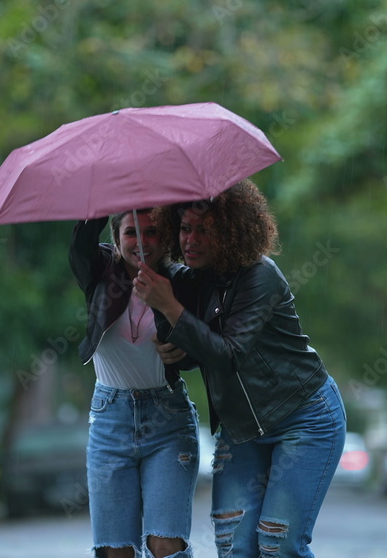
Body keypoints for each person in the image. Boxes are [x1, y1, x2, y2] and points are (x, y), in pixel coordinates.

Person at [133, 180, 347, 558]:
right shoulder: (195, 281)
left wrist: (170, 308)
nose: (191, 240)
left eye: (205, 229)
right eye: (185, 228)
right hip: (241, 428)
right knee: (234, 547)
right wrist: (167, 321)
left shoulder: (259, 276)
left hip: (304, 418)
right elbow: (189, 356)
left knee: (277, 545)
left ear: (231, 232)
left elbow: (229, 354)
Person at [70, 210, 200, 558]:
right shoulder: (100, 271)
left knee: (164, 544)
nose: (142, 242)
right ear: (116, 239)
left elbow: (197, 352)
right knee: (116, 551)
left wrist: (180, 351)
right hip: (110, 419)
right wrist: (96, 205)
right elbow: (80, 249)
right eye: (131, 233)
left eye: (152, 232)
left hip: (168, 419)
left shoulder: (181, 281)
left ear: (166, 239)